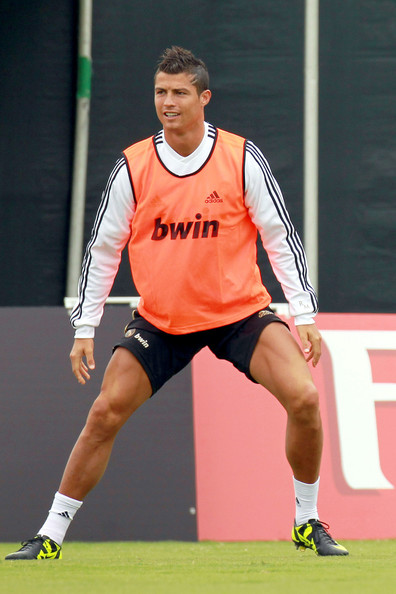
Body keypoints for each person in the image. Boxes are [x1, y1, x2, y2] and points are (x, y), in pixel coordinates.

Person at [6, 46, 348, 560]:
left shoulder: (240, 156)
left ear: (203, 98)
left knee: (304, 398)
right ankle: (50, 534)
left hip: (239, 314)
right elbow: (102, 249)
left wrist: (304, 315)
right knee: (104, 412)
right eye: (161, 92)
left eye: (180, 93)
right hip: (162, 320)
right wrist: (85, 327)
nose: (168, 102)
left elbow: (281, 237)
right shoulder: (134, 166)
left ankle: (306, 520)